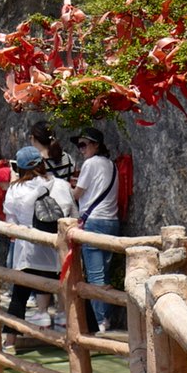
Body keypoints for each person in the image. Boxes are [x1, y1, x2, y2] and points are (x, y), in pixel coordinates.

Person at [2, 146, 74, 332]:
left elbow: (10, 220)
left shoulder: (15, 190)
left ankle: (10, 340)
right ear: (42, 164)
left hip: (28, 250)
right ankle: (85, 334)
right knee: (74, 289)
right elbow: (74, 214)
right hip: (58, 249)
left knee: (19, 297)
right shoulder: (61, 185)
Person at [71, 128, 121, 330]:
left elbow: (78, 193)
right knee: (104, 273)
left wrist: (68, 189)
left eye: (84, 144)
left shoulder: (90, 164)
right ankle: (104, 317)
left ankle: (100, 320)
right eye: (79, 145)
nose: (81, 149)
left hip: (93, 221)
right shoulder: (112, 165)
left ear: (96, 145)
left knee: (95, 275)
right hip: (112, 220)